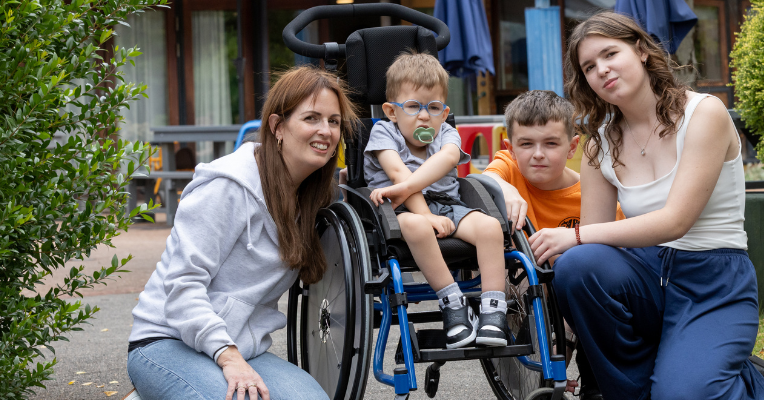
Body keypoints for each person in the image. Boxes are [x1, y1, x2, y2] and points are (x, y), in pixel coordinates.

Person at [528, 12, 764, 400]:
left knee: (682, 394)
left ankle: (742, 381)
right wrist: (568, 322)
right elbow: (594, 249)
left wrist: (572, 234)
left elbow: (676, 220)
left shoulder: (703, 113)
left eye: (610, 54)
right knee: (578, 265)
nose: (602, 70)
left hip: (712, 281)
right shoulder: (599, 143)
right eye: (589, 67)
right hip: (645, 276)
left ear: (642, 51)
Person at [126, 66, 357, 400]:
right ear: (278, 126)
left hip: (241, 350)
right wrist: (228, 356)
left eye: (333, 121)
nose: (325, 131)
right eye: (311, 118)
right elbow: (182, 287)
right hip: (166, 341)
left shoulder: (311, 197)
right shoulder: (227, 187)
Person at [482, 89, 621, 399]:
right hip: (524, 286)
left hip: (574, 290)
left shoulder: (592, 194)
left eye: (551, 144)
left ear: (572, 146)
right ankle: (544, 367)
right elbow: (487, 177)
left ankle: (590, 379)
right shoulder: (508, 167)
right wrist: (504, 188)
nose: (538, 154)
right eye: (526, 144)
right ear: (510, 147)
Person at [364, 52, 508, 349]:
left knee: (491, 227)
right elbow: (398, 175)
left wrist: (431, 210)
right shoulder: (383, 132)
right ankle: (453, 303)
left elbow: (447, 160)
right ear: (392, 111)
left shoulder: (447, 133)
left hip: (447, 204)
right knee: (417, 226)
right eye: (414, 106)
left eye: (433, 107)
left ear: (444, 112)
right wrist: (425, 215)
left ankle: (494, 309)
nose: (424, 116)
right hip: (397, 210)